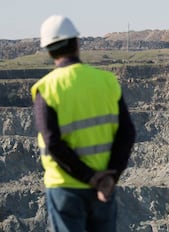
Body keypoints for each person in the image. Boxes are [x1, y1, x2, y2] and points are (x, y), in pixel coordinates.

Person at [31, 15, 136, 232]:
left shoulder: (47, 89)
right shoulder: (107, 81)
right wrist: (110, 177)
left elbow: (52, 142)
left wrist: (88, 177)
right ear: (77, 43)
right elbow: (127, 133)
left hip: (65, 188)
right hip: (104, 187)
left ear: (49, 51)